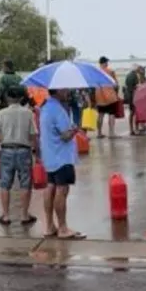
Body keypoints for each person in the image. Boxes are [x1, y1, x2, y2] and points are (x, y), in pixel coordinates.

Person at [39, 89, 85, 239]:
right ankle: (63, 228)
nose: (67, 91)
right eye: (65, 89)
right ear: (58, 90)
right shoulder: (58, 110)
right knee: (62, 190)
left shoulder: (45, 107)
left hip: (50, 155)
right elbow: (65, 136)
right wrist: (75, 128)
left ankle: (49, 225)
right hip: (62, 157)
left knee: (50, 187)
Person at [0, 86, 39, 227]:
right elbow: (33, 135)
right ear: (21, 98)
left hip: (6, 150)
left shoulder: (1, 114)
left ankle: (6, 216)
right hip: (24, 151)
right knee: (25, 183)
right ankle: (24, 215)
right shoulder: (28, 113)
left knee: (5, 183)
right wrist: (36, 151)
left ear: (7, 98)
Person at [94, 56, 120, 139]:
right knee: (111, 114)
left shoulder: (96, 72)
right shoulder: (110, 71)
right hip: (110, 97)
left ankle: (99, 133)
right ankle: (111, 133)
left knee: (100, 115)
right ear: (104, 63)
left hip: (99, 96)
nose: (107, 64)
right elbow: (116, 84)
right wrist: (116, 93)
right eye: (106, 62)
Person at [123, 64, 144, 135]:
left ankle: (131, 129)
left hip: (129, 96)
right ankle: (136, 129)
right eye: (138, 68)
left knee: (131, 113)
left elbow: (126, 86)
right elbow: (137, 86)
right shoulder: (135, 75)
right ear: (136, 69)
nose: (139, 69)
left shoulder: (128, 75)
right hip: (134, 96)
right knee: (136, 113)